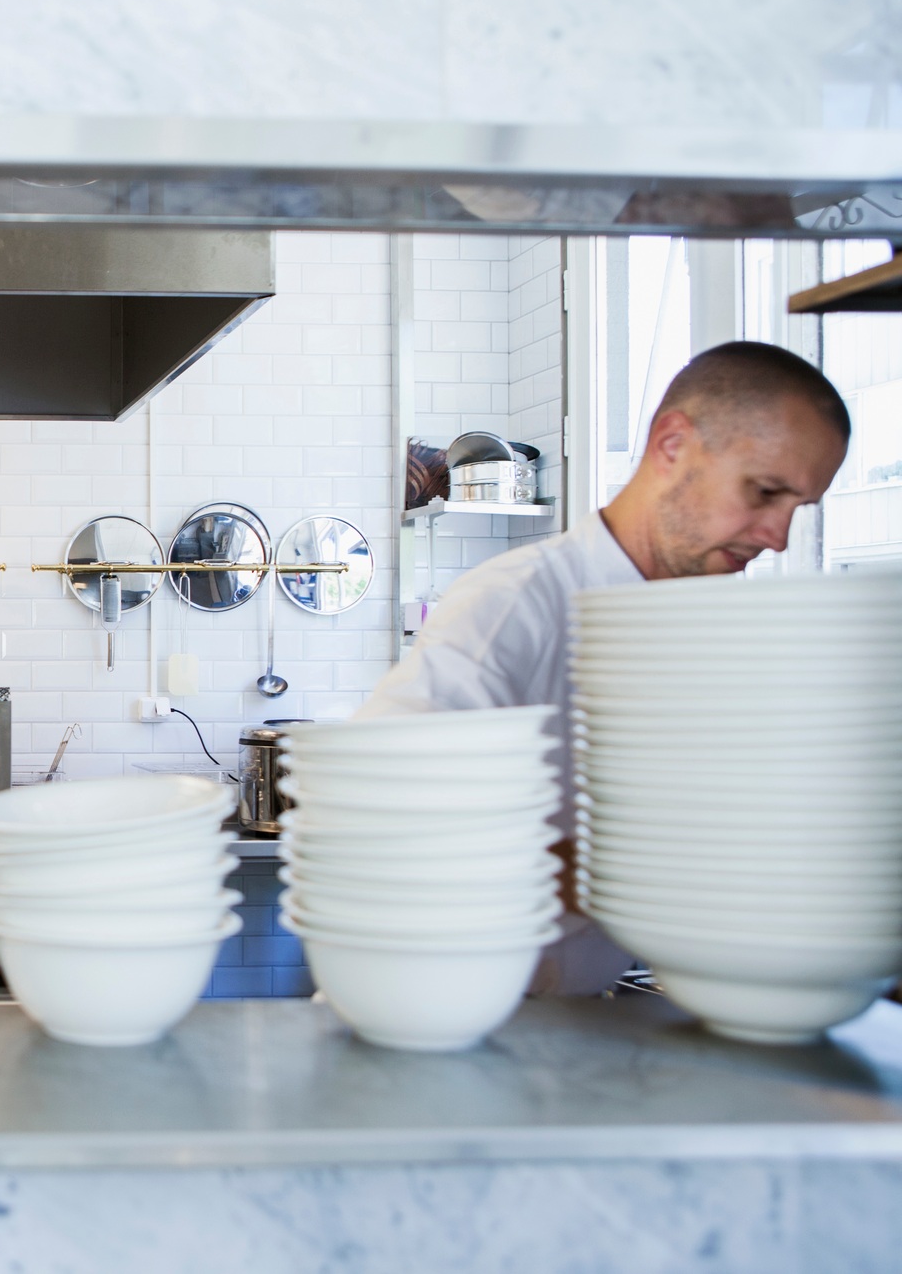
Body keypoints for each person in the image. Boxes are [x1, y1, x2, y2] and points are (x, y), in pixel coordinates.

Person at [358, 341, 851, 991]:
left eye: (798, 508)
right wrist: (652, 867)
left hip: (565, 1035)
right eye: (763, 491)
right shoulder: (514, 604)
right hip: (425, 1025)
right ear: (672, 444)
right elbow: (376, 828)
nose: (778, 535)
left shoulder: (709, 635)